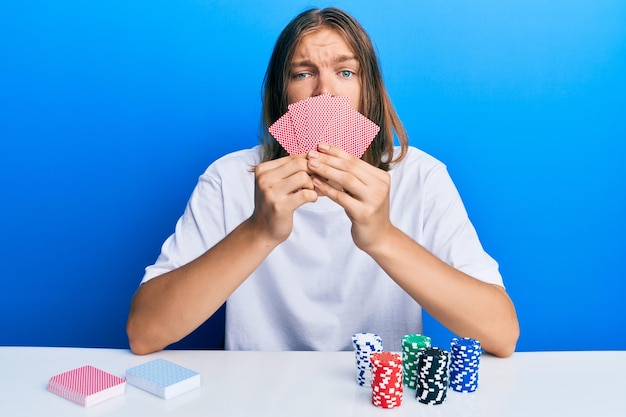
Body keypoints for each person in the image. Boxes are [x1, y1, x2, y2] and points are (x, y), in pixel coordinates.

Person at [126, 7, 519, 357]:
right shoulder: (230, 178)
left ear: (369, 92)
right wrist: (259, 231)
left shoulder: (420, 177)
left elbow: (501, 334)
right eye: (303, 73)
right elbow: (145, 333)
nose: (325, 92)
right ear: (283, 95)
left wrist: (381, 237)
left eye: (345, 72)